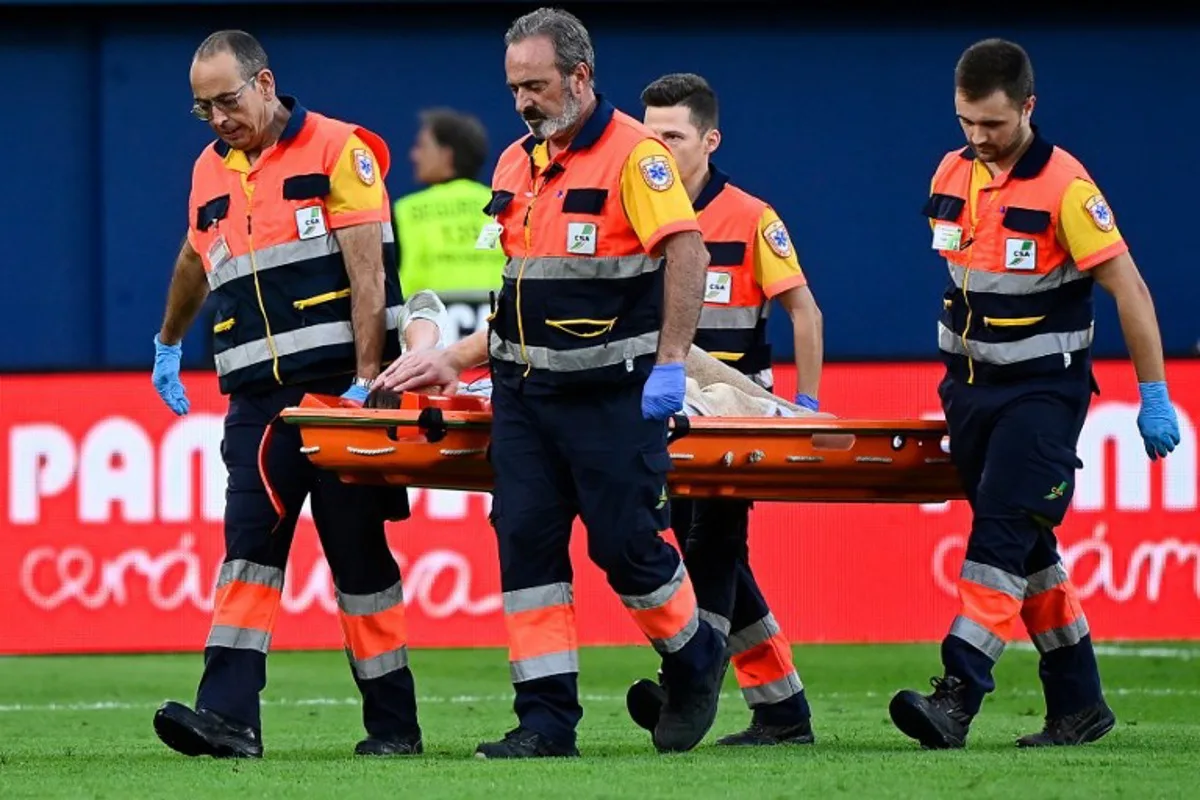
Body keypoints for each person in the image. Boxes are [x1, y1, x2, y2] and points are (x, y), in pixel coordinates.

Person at [372, 7, 728, 758]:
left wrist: (670, 363)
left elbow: (689, 254)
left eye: (536, 85)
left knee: (628, 548)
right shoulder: (512, 164)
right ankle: (545, 721)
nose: (524, 102)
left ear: (580, 77)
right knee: (525, 548)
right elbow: (516, 294)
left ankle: (695, 655)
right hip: (525, 398)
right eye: (513, 89)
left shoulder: (638, 157)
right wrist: (458, 358)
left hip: (613, 396)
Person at [149, 30, 442, 759]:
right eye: (202, 109)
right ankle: (229, 720)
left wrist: (364, 380)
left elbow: (369, 271)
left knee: (358, 561)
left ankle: (394, 728)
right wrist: (166, 342)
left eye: (227, 100)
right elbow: (193, 257)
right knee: (248, 551)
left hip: (339, 397)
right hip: (257, 403)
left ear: (264, 82)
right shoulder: (208, 172)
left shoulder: (340, 150)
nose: (218, 119)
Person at [889, 38, 1181, 750]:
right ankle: (1079, 703)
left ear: (1028, 107)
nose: (979, 138)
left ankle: (958, 695)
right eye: (966, 122)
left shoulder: (1068, 188)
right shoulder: (952, 171)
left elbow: (1131, 291)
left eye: (993, 124)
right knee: (1028, 549)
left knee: (998, 537)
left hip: (1042, 394)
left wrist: (1154, 393)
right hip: (968, 391)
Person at [624, 72, 823, 746]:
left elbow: (805, 311)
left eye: (673, 136)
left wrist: (802, 406)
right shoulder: (636, 209)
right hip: (669, 407)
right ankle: (783, 708)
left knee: (715, 544)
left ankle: (690, 686)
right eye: (649, 135)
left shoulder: (750, 216)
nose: (659, 148)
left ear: (710, 140)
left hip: (737, 412)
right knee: (710, 554)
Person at [394, 108, 506, 342]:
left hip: (429, 351)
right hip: (498, 343)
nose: (414, 155)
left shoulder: (406, 211)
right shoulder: (503, 208)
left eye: (423, 146)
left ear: (446, 154)